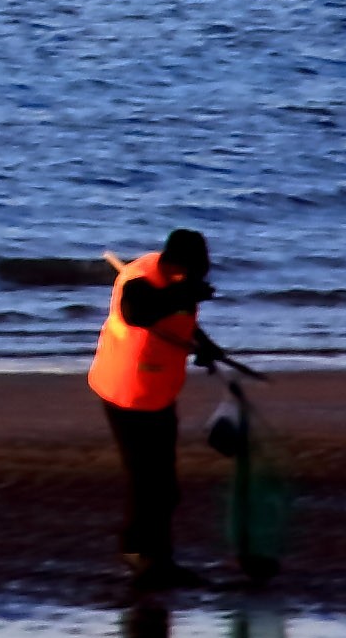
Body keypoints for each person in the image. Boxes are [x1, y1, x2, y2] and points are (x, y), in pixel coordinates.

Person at [88, 227, 237, 587]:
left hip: (156, 393)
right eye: (193, 272)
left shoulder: (176, 283)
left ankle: (149, 554)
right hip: (127, 393)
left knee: (162, 483)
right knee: (150, 482)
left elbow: (174, 320)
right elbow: (137, 312)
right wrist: (183, 293)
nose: (197, 279)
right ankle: (146, 558)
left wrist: (204, 344)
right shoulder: (139, 280)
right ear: (178, 266)